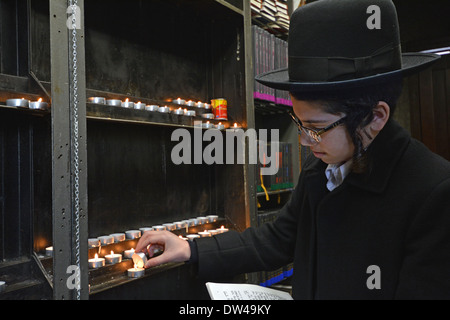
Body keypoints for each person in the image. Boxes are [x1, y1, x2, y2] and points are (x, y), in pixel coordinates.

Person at [136, 0, 450, 299]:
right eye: (299, 124)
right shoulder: (320, 170)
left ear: (375, 117)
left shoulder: (433, 193)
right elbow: (278, 238)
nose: (303, 140)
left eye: (316, 127)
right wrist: (191, 249)